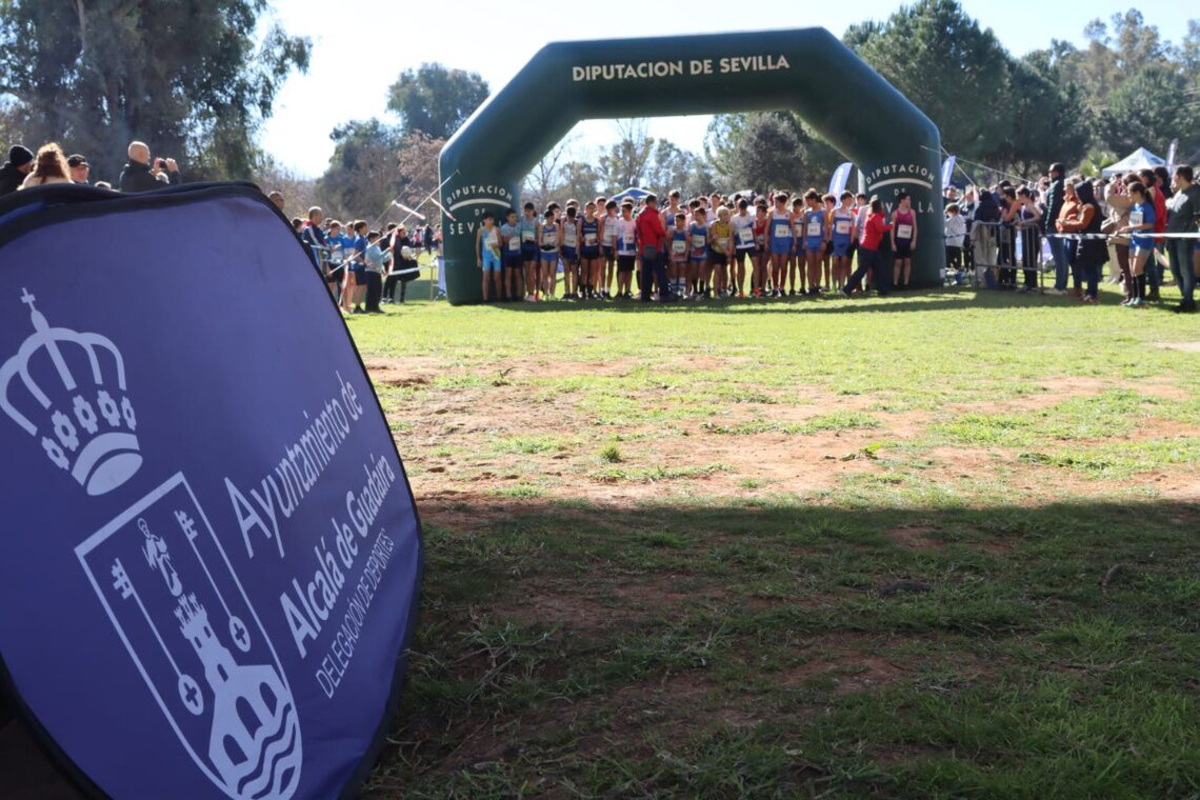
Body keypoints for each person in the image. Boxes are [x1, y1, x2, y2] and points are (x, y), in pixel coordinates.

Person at [1058, 181, 1105, 304]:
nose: (1077, 195)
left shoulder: (1089, 206)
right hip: (1087, 241)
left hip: (1091, 242)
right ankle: (1089, 293)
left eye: (1078, 193)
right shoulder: (1086, 205)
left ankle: (1092, 294)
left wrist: (1067, 223)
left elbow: (1083, 224)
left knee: (1090, 270)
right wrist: (1073, 219)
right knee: (1088, 269)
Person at [1165, 165, 1200, 313]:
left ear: (1179, 176)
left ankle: (1188, 301)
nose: (1172, 179)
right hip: (1172, 237)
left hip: (1185, 239)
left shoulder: (1196, 192)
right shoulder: (1178, 193)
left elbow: (1197, 216)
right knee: (1175, 269)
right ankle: (1185, 298)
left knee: (1186, 270)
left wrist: (1188, 234)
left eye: (1174, 176)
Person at [843, 197, 892, 297]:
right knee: (862, 270)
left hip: (870, 248)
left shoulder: (874, 216)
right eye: (881, 205)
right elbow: (880, 229)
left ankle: (883, 290)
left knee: (879, 268)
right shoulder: (874, 217)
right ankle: (847, 288)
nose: (883, 207)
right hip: (868, 248)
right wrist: (891, 225)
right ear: (878, 206)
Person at [1119, 181, 1155, 308]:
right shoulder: (1135, 207)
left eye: (1129, 193)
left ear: (1137, 193)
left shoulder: (1147, 207)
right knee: (1133, 271)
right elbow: (1134, 224)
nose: (1128, 195)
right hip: (1134, 241)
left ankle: (1141, 298)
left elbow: (1150, 224)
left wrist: (1130, 227)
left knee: (1138, 269)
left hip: (1144, 242)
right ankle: (1134, 297)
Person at [635, 193, 669, 302]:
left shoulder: (640, 214)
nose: (656, 204)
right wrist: (664, 235)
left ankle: (645, 295)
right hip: (655, 246)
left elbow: (638, 231)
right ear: (650, 202)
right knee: (660, 271)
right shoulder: (652, 214)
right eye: (655, 202)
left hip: (644, 246)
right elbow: (658, 229)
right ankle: (664, 294)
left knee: (646, 272)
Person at [1043, 162, 1069, 292]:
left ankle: (1060, 286)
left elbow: (1051, 207)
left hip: (1054, 224)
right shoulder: (1062, 183)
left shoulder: (1056, 185)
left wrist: (1047, 223)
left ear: (1056, 172)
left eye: (1050, 171)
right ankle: (1062, 284)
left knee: (1059, 255)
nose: (1049, 174)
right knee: (1062, 255)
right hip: (1061, 223)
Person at [385, 225, 420, 303]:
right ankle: (389, 298)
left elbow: (408, 250)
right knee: (392, 280)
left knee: (404, 281)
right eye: (403, 232)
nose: (405, 234)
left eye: (405, 232)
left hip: (404, 263)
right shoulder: (395, 240)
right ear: (399, 232)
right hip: (396, 263)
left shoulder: (406, 239)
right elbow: (394, 250)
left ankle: (402, 299)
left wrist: (407, 256)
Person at [768, 193, 793, 298]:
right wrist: (766, 241)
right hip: (774, 242)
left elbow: (793, 229)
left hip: (785, 243)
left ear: (783, 202)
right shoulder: (772, 213)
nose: (775, 203)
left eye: (777, 202)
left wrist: (795, 242)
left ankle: (782, 288)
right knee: (775, 266)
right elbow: (767, 229)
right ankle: (775, 288)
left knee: (783, 266)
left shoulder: (789, 214)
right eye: (774, 201)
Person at [890, 191, 917, 288]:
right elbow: (892, 229)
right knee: (898, 262)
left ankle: (906, 283)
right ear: (902, 200)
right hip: (899, 241)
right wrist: (893, 243)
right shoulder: (895, 213)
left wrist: (914, 240)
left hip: (908, 241)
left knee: (907, 261)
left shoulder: (912, 212)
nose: (909, 201)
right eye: (908, 199)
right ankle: (895, 283)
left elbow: (915, 227)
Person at [830, 192, 856, 291]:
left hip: (846, 240)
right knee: (835, 263)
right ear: (843, 200)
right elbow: (830, 226)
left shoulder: (851, 214)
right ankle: (833, 285)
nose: (850, 202)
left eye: (851, 200)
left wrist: (852, 240)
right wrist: (830, 239)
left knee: (844, 263)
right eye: (849, 199)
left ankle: (841, 285)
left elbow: (853, 229)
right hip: (836, 240)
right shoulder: (835, 212)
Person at [802, 189, 826, 296]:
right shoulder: (807, 213)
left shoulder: (823, 212)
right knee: (810, 264)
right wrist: (804, 241)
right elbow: (804, 228)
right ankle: (810, 286)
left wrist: (825, 241)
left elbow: (826, 228)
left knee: (818, 264)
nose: (807, 203)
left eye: (808, 201)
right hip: (809, 242)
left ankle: (817, 285)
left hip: (819, 241)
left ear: (814, 200)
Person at [475, 210, 502, 302]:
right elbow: (478, 244)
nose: (491, 221)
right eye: (489, 219)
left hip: (496, 255)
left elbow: (501, 243)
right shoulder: (480, 231)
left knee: (497, 277)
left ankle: (499, 298)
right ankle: (485, 299)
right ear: (484, 220)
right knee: (486, 277)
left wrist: (497, 245)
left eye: (492, 220)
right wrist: (478, 258)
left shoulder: (497, 230)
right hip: (486, 256)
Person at [731, 198, 755, 297]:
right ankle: (740, 291)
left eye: (744, 209)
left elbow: (754, 230)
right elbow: (732, 234)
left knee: (755, 265)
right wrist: (732, 246)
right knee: (741, 267)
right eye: (741, 209)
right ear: (738, 208)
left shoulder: (751, 217)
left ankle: (755, 289)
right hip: (740, 246)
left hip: (751, 245)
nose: (742, 211)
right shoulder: (734, 219)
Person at [613, 201, 638, 299]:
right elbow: (614, 236)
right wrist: (615, 250)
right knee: (622, 271)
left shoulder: (634, 222)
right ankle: (619, 292)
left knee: (629, 271)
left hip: (631, 252)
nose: (623, 213)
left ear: (630, 211)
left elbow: (636, 237)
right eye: (622, 211)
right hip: (621, 251)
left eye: (625, 211)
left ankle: (627, 291)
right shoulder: (618, 222)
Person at [500, 208, 525, 302]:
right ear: (507, 218)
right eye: (512, 217)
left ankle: (518, 295)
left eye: (515, 217)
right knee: (508, 274)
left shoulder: (519, 226)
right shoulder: (504, 228)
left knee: (518, 274)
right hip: (508, 254)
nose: (514, 218)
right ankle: (508, 295)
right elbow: (503, 242)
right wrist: (509, 236)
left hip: (518, 253)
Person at [580, 201, 602, 300]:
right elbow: (579, 234)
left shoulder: (597, 221)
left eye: (593, 208)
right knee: (584, 271)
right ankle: (583, 292)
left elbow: (599, 234)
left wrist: (596, 239)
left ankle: (591, 291)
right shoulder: (582, 221)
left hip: (594, 248)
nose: (591, 210)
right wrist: (582, 238)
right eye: (589, 208)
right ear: (586, 209)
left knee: (593, 271)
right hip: (585, 249)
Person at [537, 208, 559, 300]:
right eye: (550, 218)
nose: (552, 220)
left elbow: (558, 238)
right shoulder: (542, 227)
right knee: (545, 274)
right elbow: (539, 240)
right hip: (544, 253)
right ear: (546, 218)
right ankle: (546, 294)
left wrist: (553, 245)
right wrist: (544, 245)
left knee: (553, 274)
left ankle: (552, 294)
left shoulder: (556, 226)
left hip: (553, 252)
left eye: (553, 218)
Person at [363, 230, 388, 313]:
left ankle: (375, 307)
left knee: (378, 290)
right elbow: (377, 257)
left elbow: (382, 259)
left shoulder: (377, 248)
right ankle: (369, 307)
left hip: (377, 271)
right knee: (371, 290)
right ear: (371, 238)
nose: (379, 239)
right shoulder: (369, 248)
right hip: (370, 272)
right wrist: (388, 250)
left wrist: (390, 255)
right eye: (377, 238)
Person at [944, 203, 966, 285]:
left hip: (950, 242)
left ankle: (947, 277)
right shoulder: (962, 219)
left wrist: (943, 215)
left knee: (948, 261)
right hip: (958, 243)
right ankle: (959, 278)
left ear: (953, 211)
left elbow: (944, 224)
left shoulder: (953, 219)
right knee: (958, 262)